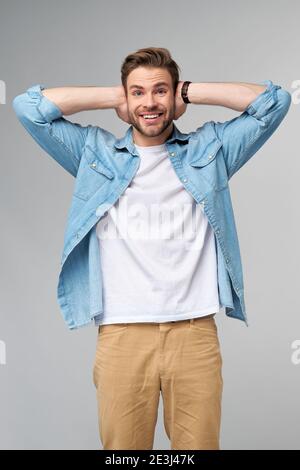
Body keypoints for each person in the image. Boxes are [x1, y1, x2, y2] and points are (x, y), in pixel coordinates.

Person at [12, 47, 291, 450]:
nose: (150, 103)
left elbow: (274, 103)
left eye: (161, 91)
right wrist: (115, 96)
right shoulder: (96, 153)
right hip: (122, 334)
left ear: (175, 98)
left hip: (194, 333)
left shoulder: (209, 151)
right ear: (126, 101)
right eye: (138, 93)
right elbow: (29, 107)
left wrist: (189, 90)